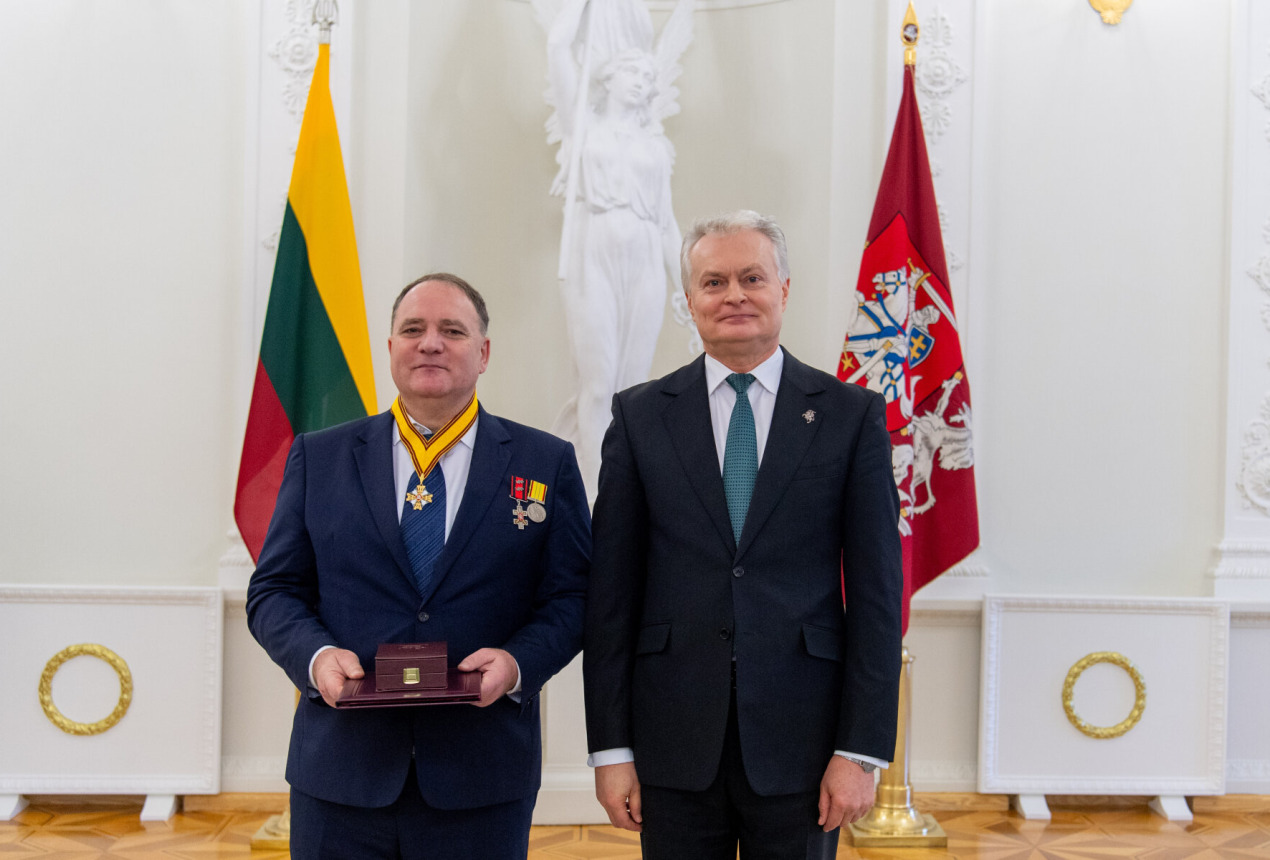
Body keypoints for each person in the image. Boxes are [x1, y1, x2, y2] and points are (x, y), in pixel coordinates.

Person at [583, 211, 903, 859]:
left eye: (752, 278)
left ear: (783, 289)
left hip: (805, 745)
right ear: (689, 301)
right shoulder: (640, 417)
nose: (733, 295)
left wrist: (860, 749)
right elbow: (610, 598)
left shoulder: (850, 416)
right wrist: (611, 750)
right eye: (713, 282)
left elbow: (876, 597)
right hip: (672, 741)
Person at [246, 273, 590, 859]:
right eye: (413, 329)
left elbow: (574, 598)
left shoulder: (545, 462)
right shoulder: (319, 456)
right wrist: (317, 657)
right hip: (341, 775)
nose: (430, 342)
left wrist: (515, 663)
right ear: (390, 349)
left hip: (481, 778)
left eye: (452, 330)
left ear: (483, 353)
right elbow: (275, 590)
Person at [541, 0, 694, 501]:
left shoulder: (656, 146)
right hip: (593, 256)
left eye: (649, 77)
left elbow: (668, 222)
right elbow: (559, 47)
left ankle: (623, 496)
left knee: (631, 388)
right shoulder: (581, 126)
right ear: (608, 77)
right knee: (599, 379)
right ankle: (589, 498)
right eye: (634, 73)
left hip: (647, 259)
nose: (644, 83)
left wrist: (687, 287)